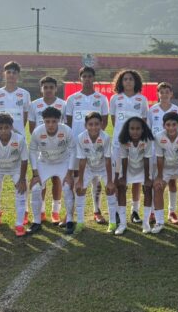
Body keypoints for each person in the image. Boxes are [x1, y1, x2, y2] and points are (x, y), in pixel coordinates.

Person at [66, 66, 109, 225]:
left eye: (90, 76)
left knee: (95, 178)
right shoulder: (72, 99)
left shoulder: (101, 98)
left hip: (94, 146)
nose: (87, 79)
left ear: (94, 78)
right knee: (76, 178)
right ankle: (71, 213)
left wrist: (95, 139)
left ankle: (97, 211)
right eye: (84, 76)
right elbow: (69, 123)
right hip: (76, 145)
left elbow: (104, 122)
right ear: (80, 78)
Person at [0, 61, 31, 228]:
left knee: (21, 177)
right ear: (4, 74)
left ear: (18, 75)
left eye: (14, 72)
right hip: (0, 141)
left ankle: (24, 210)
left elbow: (25, 117)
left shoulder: (25, 94)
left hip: (18, 140)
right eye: (9, 72)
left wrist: (16, 132)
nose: (11, 75)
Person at [27, 106, 76, 235]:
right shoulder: (38, 132)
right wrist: (35, 174)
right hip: (45, 162)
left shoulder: (66, 130)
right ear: (43, 121)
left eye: (54, 121)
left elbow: (73, 151)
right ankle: (36, 222)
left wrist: (69, 174)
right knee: (36, 188)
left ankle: (69, 220)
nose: (50, 125)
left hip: (62, 162)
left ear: (59, 121)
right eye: (47, 121)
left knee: (67, 187)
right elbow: (32, 151)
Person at [109, 69, 149, 225]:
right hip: (119, 144)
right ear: (121, 82)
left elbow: (143, 122)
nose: (128, 81)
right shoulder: (115, 98)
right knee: (118, 177)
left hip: (136, 144)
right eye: (125, 79)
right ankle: (118, 211)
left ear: (136, 81)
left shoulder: (142, 99)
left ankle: (135, 210)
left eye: (131, 79)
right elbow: (114, 121)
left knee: (136, 178)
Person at [29, 76, 66, 224]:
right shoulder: (34, 105)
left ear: (56, 89)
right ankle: (42, 211)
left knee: (57, 180)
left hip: (58, 149)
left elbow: (65, 127)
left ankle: (55, 212)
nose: (48, 90)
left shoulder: (63, 104)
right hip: (41, 149)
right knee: (41, 182)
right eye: (45, 87)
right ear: (41, 89)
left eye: (51, 87)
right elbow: (32, 128)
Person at [74, 112, 116, 235]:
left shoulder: (106, 137)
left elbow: (108, 159)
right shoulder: (81, 137)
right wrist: (80, 180)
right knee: (80, 190)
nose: (94, 127)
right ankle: (80, 223)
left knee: (110, 190)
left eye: (96, 124)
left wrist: (109, 181)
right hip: (89, 167)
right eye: (90, 124)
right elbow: (82, 160)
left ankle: (113, 223)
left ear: (101, 124)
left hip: (104, 167)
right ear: (85, 125)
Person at [148, 82, 178, 224]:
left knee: (172, 181)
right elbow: (148, 131)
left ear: (171, 94)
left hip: (172, 151)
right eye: (161, 92)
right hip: (155, 151)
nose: (164, 94)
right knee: (156, 181)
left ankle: (171, 211)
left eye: (167, 92)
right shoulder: (152, 110)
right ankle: (152, 211)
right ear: (158, 94)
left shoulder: (176, 110)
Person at [154, 112, 178, 233]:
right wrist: (159, 177)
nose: (171, 128)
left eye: (174, 124)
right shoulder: (158, 137)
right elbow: (160, 158)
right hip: (166, 167)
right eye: (168, 125)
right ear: (163, 125)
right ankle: (159, 222)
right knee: (158, 188)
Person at [115, 117, 154, 235]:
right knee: (121, 188)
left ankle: (146, 223)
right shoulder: (123, 140)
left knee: (148, 189)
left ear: (143, 130)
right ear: (128, 129)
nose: (135, 131)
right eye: (132, 128)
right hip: (129, 167)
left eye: (138, 129)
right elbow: (124, 159)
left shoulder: (147, 140)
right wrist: (123, 177)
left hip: (143, 168)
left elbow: (147, 159)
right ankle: (122, 224)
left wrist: (147, 178)